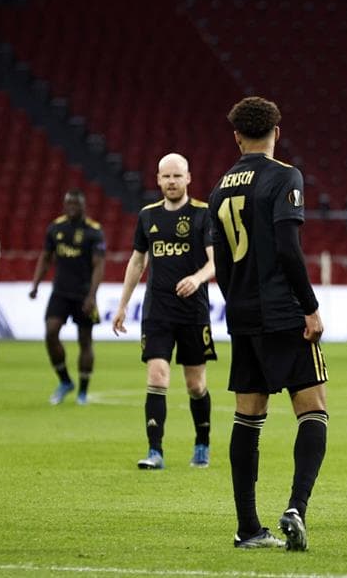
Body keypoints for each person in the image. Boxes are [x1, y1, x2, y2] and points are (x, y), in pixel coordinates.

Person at [209, 96, 328, 551]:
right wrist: (309, 305)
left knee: (248, 415)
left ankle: (247, 528)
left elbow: (219, 261)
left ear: (237, 136)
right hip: (282, 312)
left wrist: (237, 302)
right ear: (277, 131)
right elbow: (287, 247)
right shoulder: (284, 176)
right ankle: (296, 507)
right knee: (313, 408)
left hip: (242, 314)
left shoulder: (220, 187)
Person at [112, 153, 216, 470]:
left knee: (195, 384)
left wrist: (197, 279)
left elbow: (216, 261)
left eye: (177, 176)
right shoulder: (147, 216)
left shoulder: (202, 214)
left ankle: (202, 443)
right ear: (158, 180)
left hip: (193, 311)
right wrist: (123, 303)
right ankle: (155, 451)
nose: (171, 181)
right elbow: (137, 262)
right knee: (157, 376)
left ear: (188, 178)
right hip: (157, 310)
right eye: (165, 176)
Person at [29, 189, 105, 405]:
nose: (71, 207)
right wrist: (35, 285)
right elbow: (45, 257)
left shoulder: (94, 231)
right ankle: (65, 381)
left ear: (83, 206)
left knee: (85, 342)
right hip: (60, 292)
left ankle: (82, 391)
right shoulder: (55, 228)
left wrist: (92, 295)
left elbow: (99, 265)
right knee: (51, 333)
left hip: (84, 294)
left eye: (75, 204)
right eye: (68, 203)